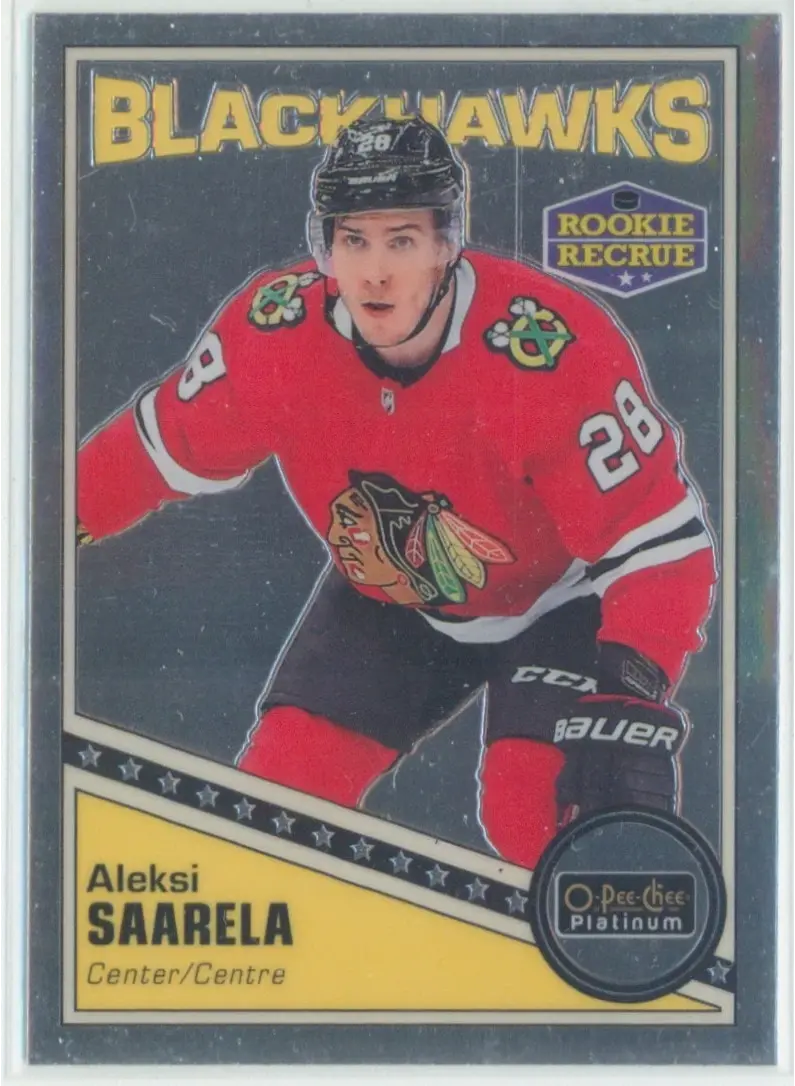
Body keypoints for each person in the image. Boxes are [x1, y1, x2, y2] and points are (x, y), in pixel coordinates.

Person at [77, 116, 717, 868]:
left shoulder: (549, 352)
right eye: (354, 241)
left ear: (448, 244)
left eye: (402, 241)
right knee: (277, 802)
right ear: (326, 247)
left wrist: (630, 687)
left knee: (528, 812)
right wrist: (41, 524)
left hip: (563, 602)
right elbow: (153, 450)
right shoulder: (275, 335)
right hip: (390, 591)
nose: (375, 272)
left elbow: (662, 547)